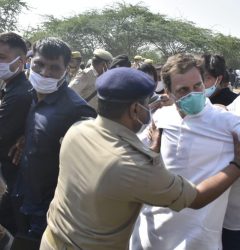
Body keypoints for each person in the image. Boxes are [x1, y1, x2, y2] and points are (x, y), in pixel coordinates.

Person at [39, 67, 240, 250]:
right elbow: (196, 198)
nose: (153, 108)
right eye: (147, 103)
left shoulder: (77, 130)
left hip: (51, 239)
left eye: (198, 86)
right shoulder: (133, 164)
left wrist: (150, 152)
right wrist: (236, 165)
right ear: (136, 109)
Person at [130, 53, 240, 250]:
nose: (194, 93)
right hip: (149, 234)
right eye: (183, 90)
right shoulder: (161, 117)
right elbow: (132, 153)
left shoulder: (227, 124)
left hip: (197, 241)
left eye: (198, 86)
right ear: (169, 92)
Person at [12, 37, 97, 244]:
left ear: (67, 69)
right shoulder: (32, 95)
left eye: (54, 68)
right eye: (39, 65)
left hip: (49, 206)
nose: (44, 73)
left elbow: (87, 166)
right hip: (23, 192)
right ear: (30, 62)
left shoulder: (76, 109)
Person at [0, 32, 33, 235]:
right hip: (12, 177)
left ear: (20, 62)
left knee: (19, 230)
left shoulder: (20, 94)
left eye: (1, 58)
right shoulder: (11, 87)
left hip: (17, 180)